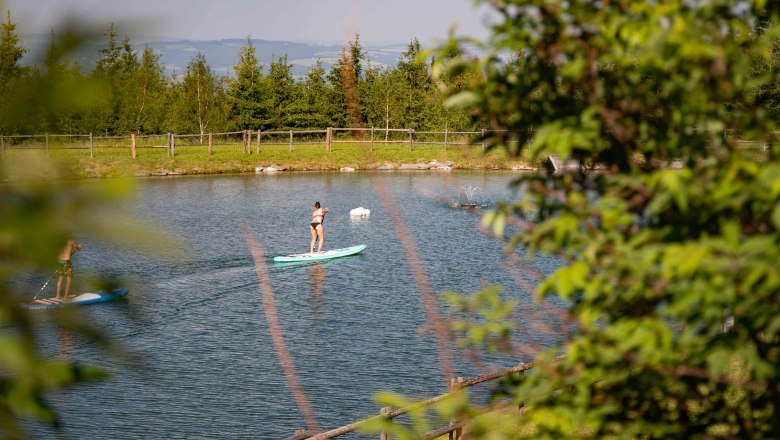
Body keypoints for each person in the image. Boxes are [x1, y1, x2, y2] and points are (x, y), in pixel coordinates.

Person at [56, 235, 82, 300]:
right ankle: (65, 297)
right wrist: (79, 246)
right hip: (67, 262)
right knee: (68, 280)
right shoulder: (71, 242)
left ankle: (57, 296)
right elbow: (78, 248)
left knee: (60, 280)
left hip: (60, 261)